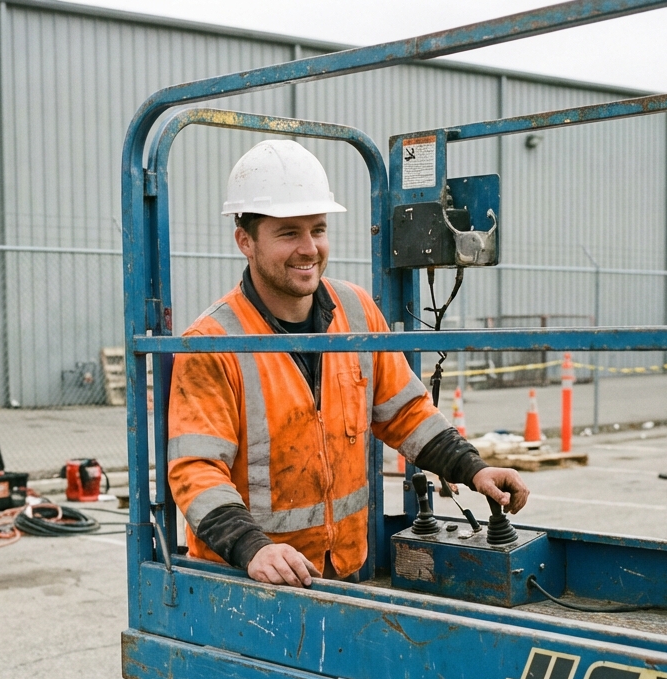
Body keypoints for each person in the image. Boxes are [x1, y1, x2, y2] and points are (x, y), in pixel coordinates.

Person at [167, 140, 528, 588]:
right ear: (245, 240)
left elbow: (405, 410)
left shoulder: (355, 310)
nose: (309, 248)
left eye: (318, 230)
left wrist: (473, 468)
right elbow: (196, 469)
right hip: (249, 581)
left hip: (342, 568)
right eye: (288, 233)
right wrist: (252, 548)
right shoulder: (211, 342)